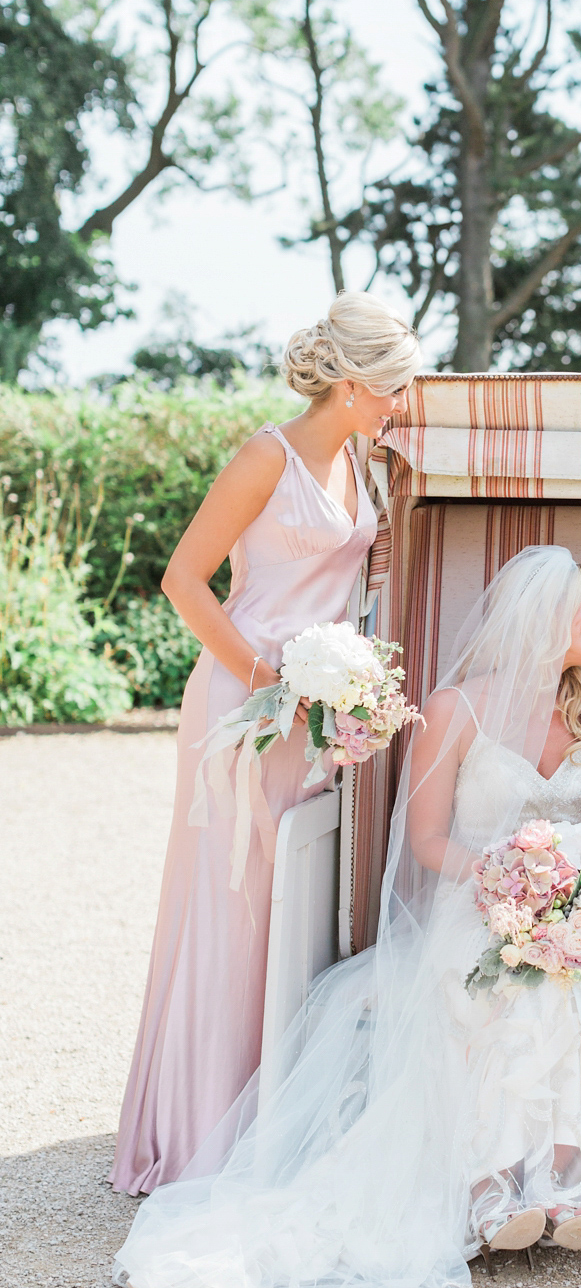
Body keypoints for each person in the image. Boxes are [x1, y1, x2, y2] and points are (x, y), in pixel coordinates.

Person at [112, 547, 581, 1288]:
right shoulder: (455, 709)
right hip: (474, 902)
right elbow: (429, 839)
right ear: (538, 617)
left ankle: (562, 1181)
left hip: (564, 908)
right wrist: (509, 883)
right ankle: (489, 1187)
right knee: (502, 980)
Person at [110, 292, 420, 1196]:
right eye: (395, 388)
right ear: (356, 385)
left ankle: (272, 1110)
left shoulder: (363, 462)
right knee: (231, 899)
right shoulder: (265, 455)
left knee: (295, 896)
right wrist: (264, 681)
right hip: (245, 706)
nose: (403, 403)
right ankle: (199, 1127)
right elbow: (183, 580)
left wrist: (341, 688)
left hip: (314, 711)